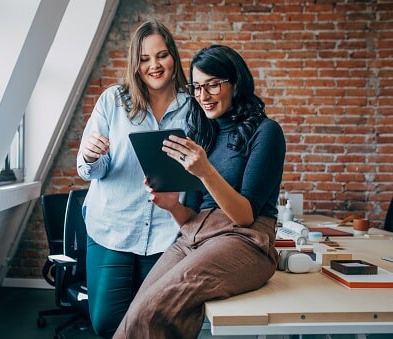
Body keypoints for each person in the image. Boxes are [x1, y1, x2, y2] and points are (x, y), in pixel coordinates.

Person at [113, 44, 286, 339]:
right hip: (194, 236)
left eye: (213, 85)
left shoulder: (266, 132)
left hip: (245, 240)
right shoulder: (202, 134)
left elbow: (245, 217)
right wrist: (172, 206)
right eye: (196, 87)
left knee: (151, 312)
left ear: (235, 83)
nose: (203, 96)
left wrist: (205, 171)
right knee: (137, 308)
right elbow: (190, 218)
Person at [76, 21, 190, 337]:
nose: (154, 66)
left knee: (154, 325)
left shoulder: (191, 108)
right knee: (106, 323)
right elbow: (90, 169)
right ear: (134, 63)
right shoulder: (114, 100)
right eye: (144, 59)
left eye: (162, 55)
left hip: (166, 235)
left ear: (174, 58)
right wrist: (90, 156)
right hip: (113, 226)